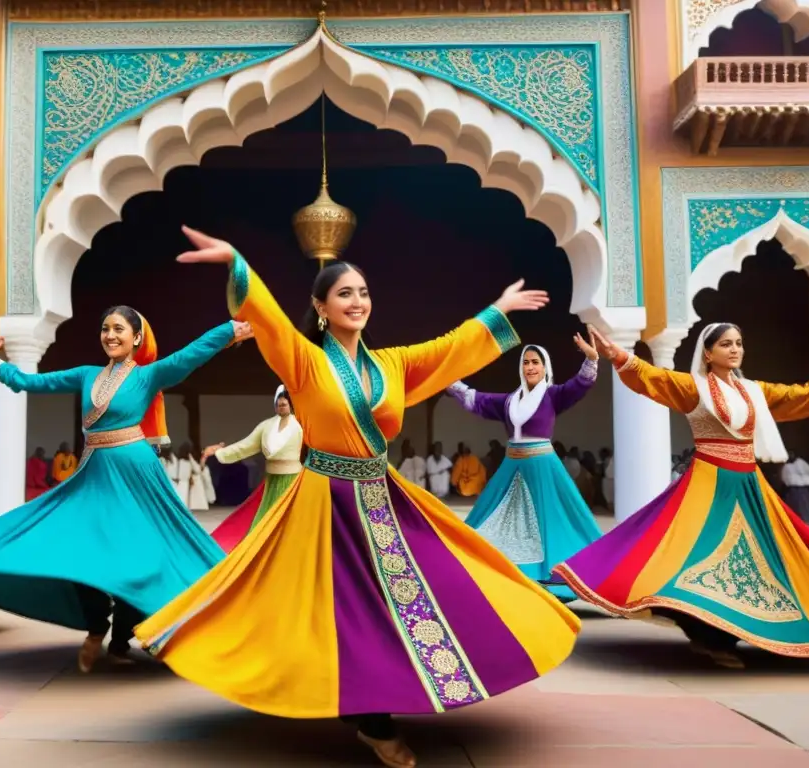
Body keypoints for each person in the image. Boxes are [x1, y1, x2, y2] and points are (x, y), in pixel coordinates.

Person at [133, 227, 578, 768]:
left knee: (436, 590)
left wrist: (497, 311)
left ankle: (385, 696)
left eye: (363, 292)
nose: (358, 301)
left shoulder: (391, 365)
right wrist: (237, 264)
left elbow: (449, 350)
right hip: (325, 502)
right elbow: (269, 319)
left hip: (381, 495)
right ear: (320, 307)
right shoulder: (302, 360)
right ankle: (371, 718)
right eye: (344, 293)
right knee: (342, 608)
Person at [0, 308, 252, 672]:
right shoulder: (86, 375)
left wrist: (227, 331)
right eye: (105, 328)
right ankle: (97, 627)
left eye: (119, 329)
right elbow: (35, 383)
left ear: (137, 338)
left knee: (139, 555)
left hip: (136, 475)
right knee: (84, 551)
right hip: (94, 473)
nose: (110, 335)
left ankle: (124, 637)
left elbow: (189, 355)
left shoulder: (147, 376)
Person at [554, 323, 809, 668]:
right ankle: (708, 637)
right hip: (708, 485)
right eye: (725, 344)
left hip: (748, 486)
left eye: (738, 343)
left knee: (767, 561)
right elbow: (653, 378)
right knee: (695, 558)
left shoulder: (754, 391)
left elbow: (800, 396)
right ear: (708, 352)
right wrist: (617, 355)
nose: (735, 349)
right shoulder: (694, 388)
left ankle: (745, 631)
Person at [446, 337, 602, 602]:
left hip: (542, 468)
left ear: (544, 367)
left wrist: (591, 359)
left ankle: (557, 579)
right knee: (491, 519)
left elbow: (580, 384)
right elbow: (477, 400)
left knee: (549, 524)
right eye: (526, 362)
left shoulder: (554, 395)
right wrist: (448, 379)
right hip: (512, 466)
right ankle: (502, 574)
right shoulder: (509, 401)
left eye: (535, 362)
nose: (530, 367)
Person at [204, 385, 303, 551]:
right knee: (265, 521)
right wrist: (220, 453)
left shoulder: (301, 425)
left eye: (285, 399)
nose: (282, 402)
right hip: (272, 481)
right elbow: (245, 446)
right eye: (279, 399)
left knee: (293, 521)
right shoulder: (266, 426)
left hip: (294, 481)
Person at [781, 451, 809, 523]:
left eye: (792, 455)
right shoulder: (786, 465)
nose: (790, 456)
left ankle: (807, 519)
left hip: (803, 487)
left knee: (805, 505)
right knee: (793, 505)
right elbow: (784, 476)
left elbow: (806, 473)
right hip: (792, 488)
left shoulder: (802, 463)